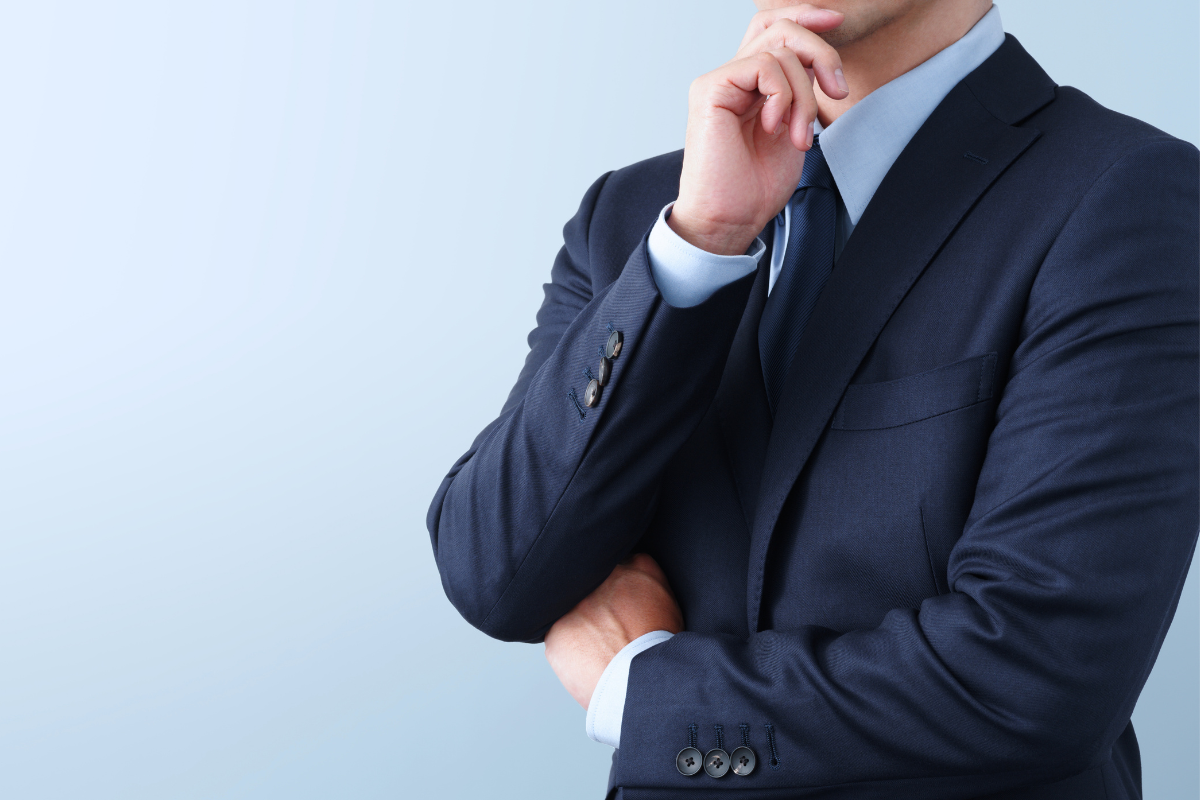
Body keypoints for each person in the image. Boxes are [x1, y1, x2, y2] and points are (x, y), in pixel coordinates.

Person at [426, 1, 1198, 797]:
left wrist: (643, 690)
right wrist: (699, 247)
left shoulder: (1124, 194)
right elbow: (497, 572)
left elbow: (1036, 676)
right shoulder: (640, 214)